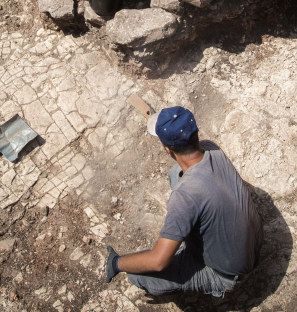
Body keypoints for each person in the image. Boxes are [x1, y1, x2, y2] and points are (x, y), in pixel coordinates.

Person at [105, 106, 263, 298]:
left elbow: (158, 261)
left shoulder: (185, 197)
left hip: (226, 273)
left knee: (137, 274)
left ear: (168, 150)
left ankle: (215, 282)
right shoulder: (212, 148)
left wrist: (116, 262)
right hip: (254, 241)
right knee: (176, 173)